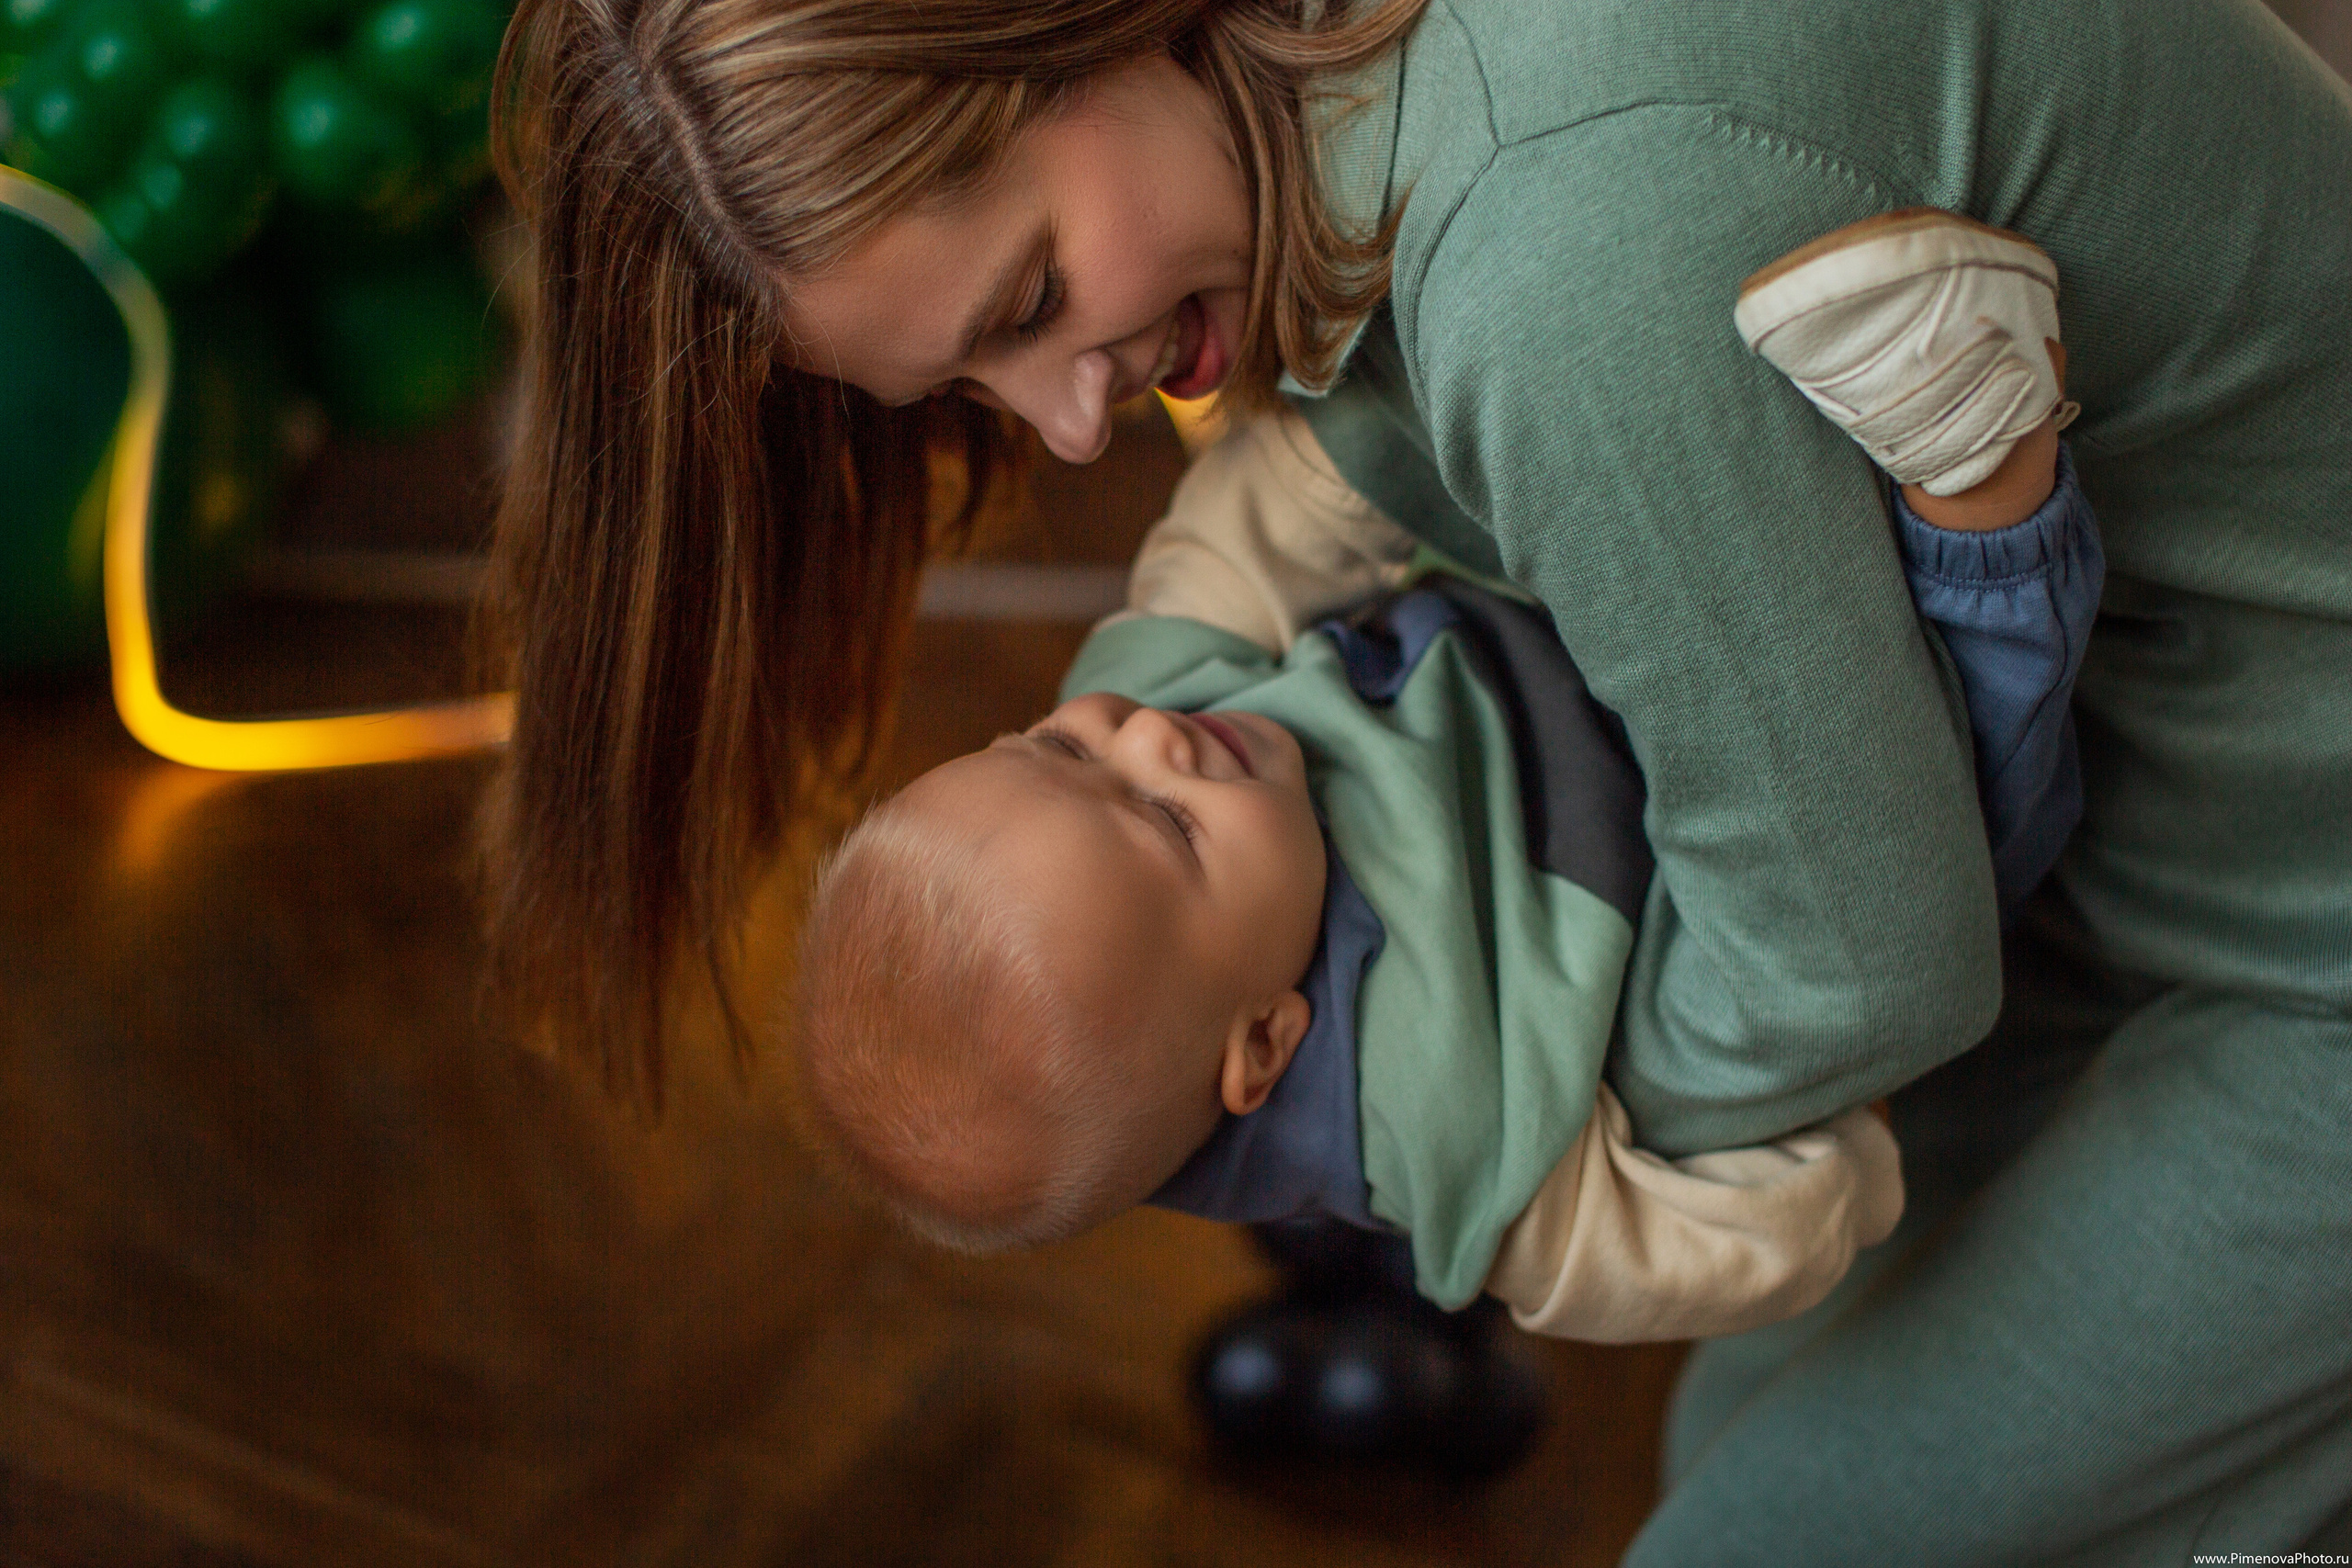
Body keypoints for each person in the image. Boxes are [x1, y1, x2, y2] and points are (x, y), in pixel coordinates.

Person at [481, 0, 2352, 1556]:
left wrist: (1542, 1110)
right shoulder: (1361, 116)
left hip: (2293, 931)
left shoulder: (1554, 256)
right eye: (977, 387)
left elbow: (1865, 971)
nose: (1068, 418)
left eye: (1032, 297)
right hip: (2148, 838)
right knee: (1744, 1416)